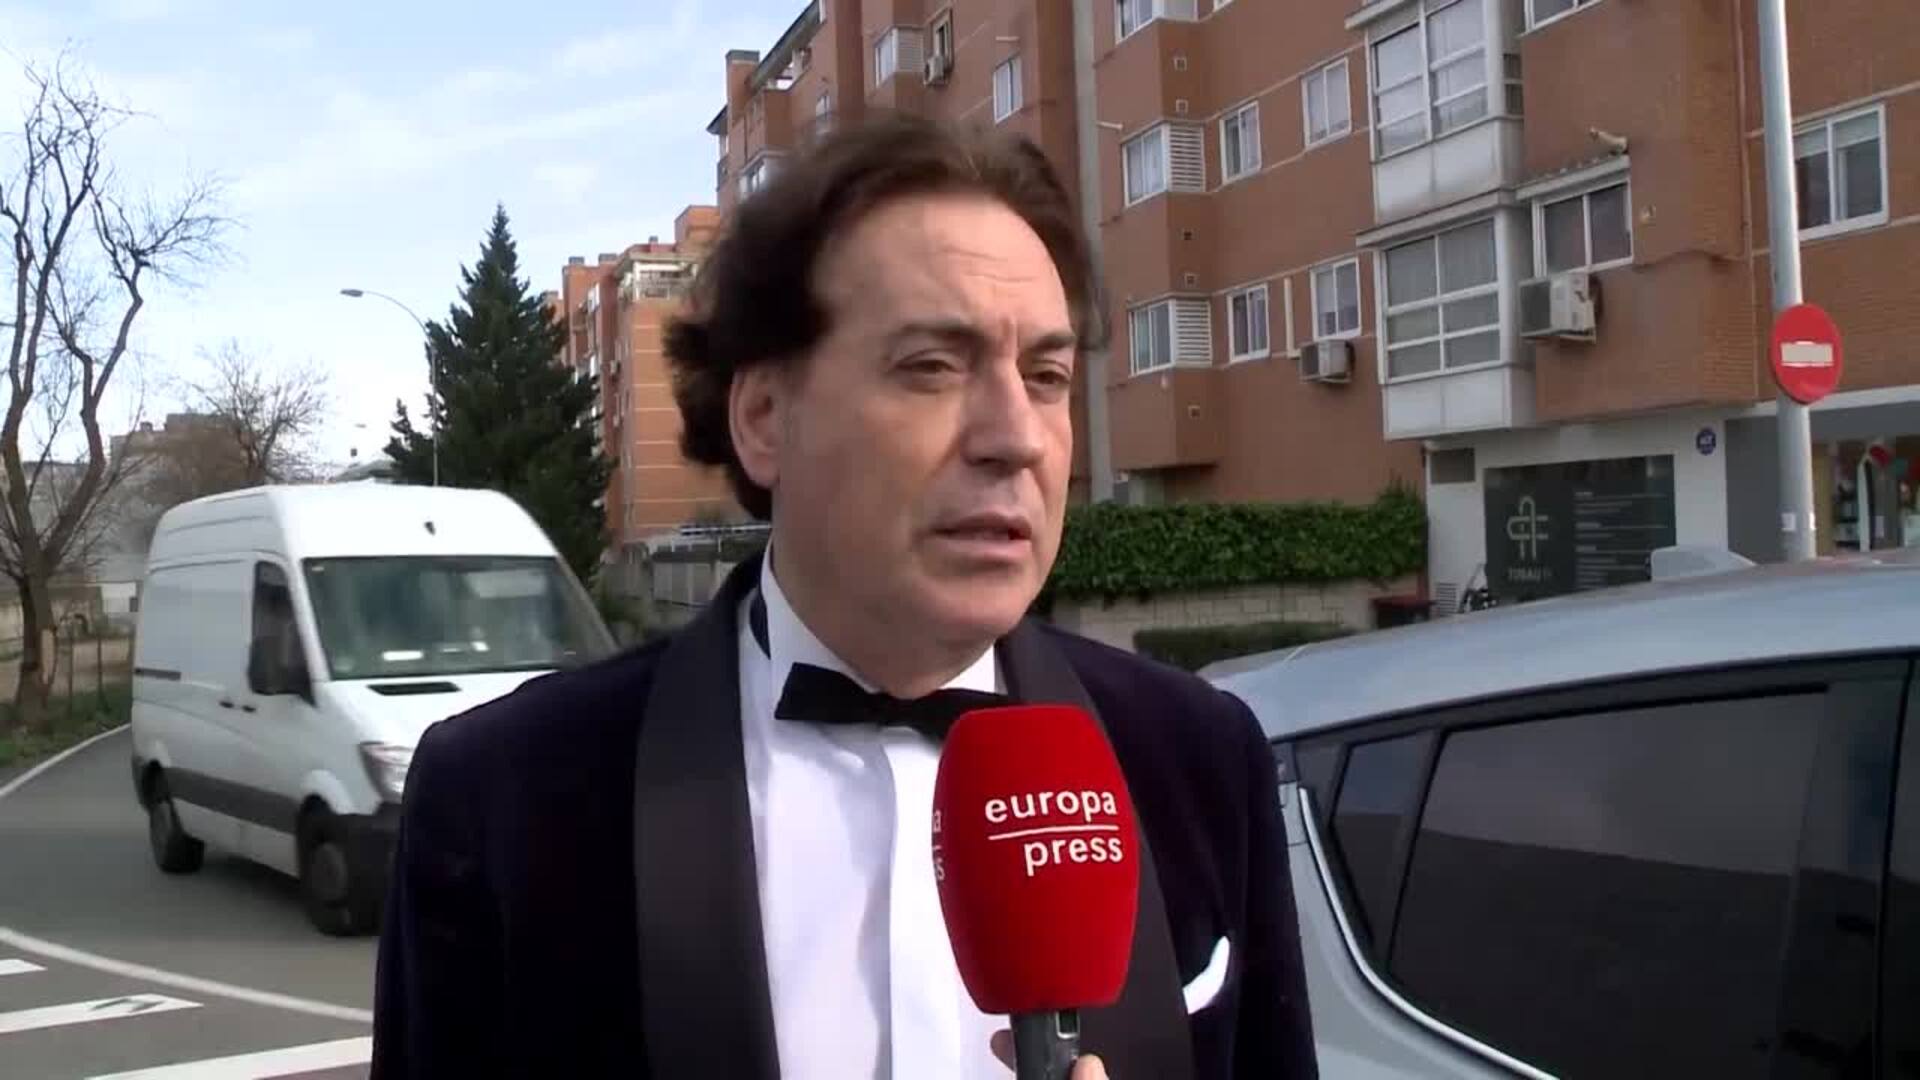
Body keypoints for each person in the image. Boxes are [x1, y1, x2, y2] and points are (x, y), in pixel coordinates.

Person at [370, 113, 1318, 1079]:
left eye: (1046, 375)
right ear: (763, 418)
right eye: (931, 367)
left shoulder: (1198, 761)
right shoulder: (507, 797)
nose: (1017, 437)